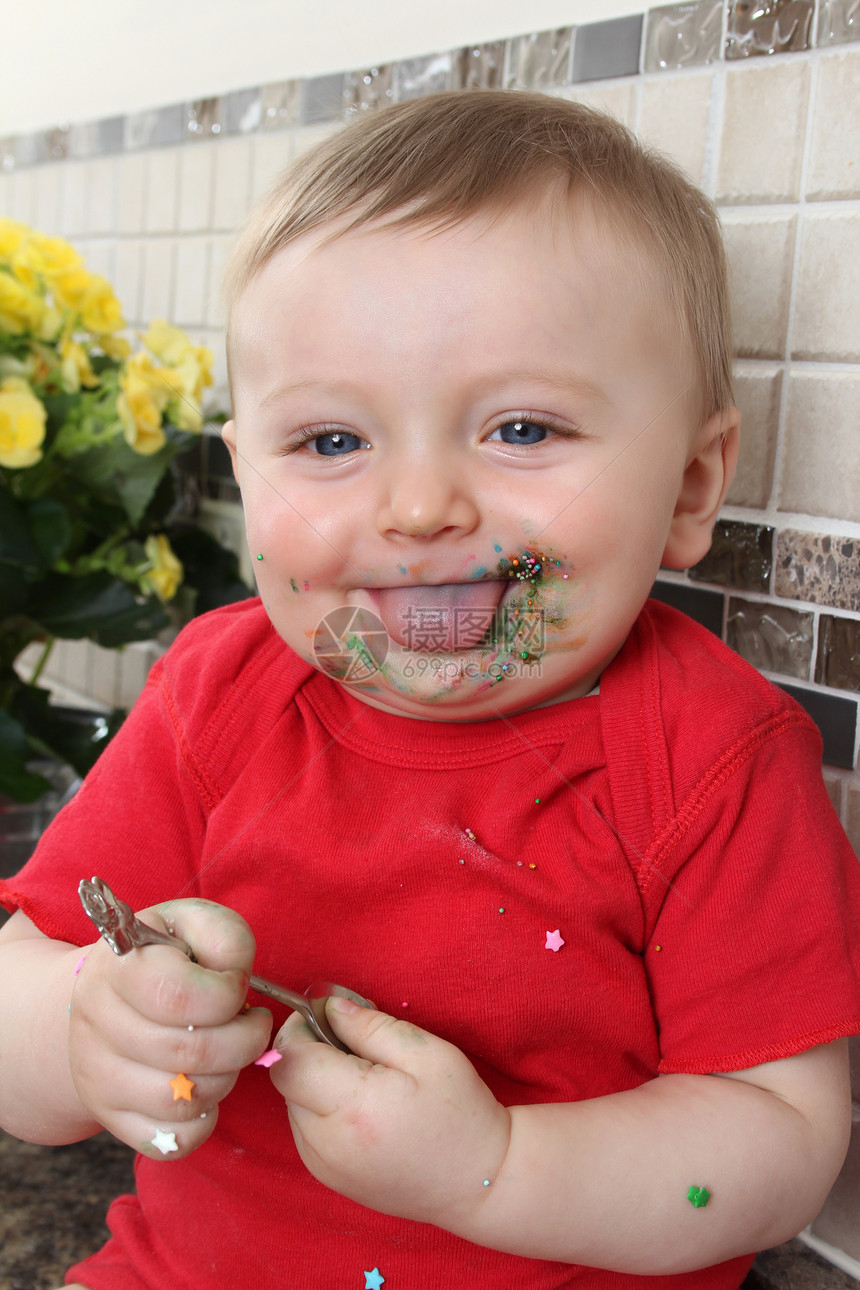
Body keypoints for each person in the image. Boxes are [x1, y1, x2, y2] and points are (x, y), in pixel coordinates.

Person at [1, 90, 858, 1290]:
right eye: (332, 444)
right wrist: (89, 1028)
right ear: (245, 475)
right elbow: (17, 1015)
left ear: (686, 486)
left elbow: (778, 1144)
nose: (417, 509)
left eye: (518, 428)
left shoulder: (710, 754)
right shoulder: (218, 695)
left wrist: (492, 1168)